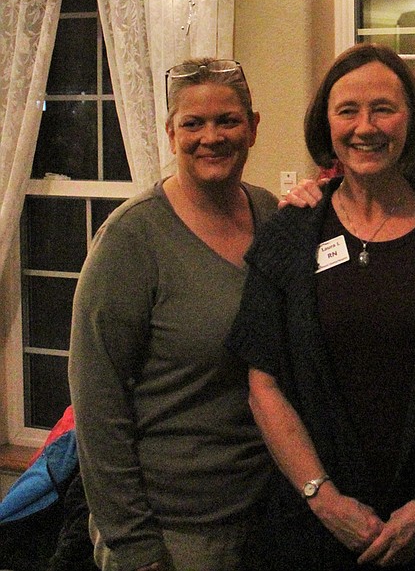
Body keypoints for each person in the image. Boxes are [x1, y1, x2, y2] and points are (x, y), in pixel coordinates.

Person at [226, 44, 415, 570]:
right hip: (313, 533)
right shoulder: (287, 236)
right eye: (347, 110)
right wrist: (323, 499)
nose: (365, 127)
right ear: (326, 124)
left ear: (410, 119)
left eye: (384, 108)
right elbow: (263, 384)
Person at [70, 58, 276, 571]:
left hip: (265, 513)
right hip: (172, 532)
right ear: (169, 133)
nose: (212, 137)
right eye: (193, 123)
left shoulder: (271, 214)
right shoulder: (131, 239)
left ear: (253, 128)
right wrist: (134, 545)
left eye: (228, 120)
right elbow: (97, 406)